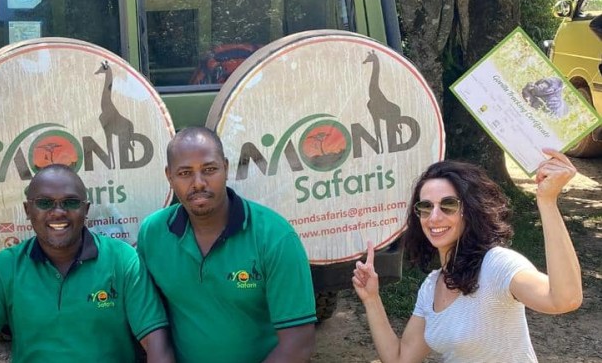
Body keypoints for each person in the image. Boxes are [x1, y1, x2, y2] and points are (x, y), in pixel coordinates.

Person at [352, 150, 583, 363]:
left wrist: (547, 201)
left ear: (470, 210)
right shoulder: (431, 287)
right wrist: (372, 299)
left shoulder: (497, 264)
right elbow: (400, 359)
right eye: (425, 206)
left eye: (448, 205)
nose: (434, 217)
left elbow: (564, 299)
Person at [0, 164, 174, 363]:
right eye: (44, 203)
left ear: (86, 209)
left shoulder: (121, 260)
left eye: (70, 203)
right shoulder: (4, 268)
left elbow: (156, 341)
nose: (58, 212)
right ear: (27, 210)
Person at [137, 126, 317, 363]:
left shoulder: (274, 236)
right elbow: (151, 324)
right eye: (185, 173)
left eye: (209, 169)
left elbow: (298, 344)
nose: (198, 183)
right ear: (169, 176)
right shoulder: (153, 234)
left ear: (226, 168)